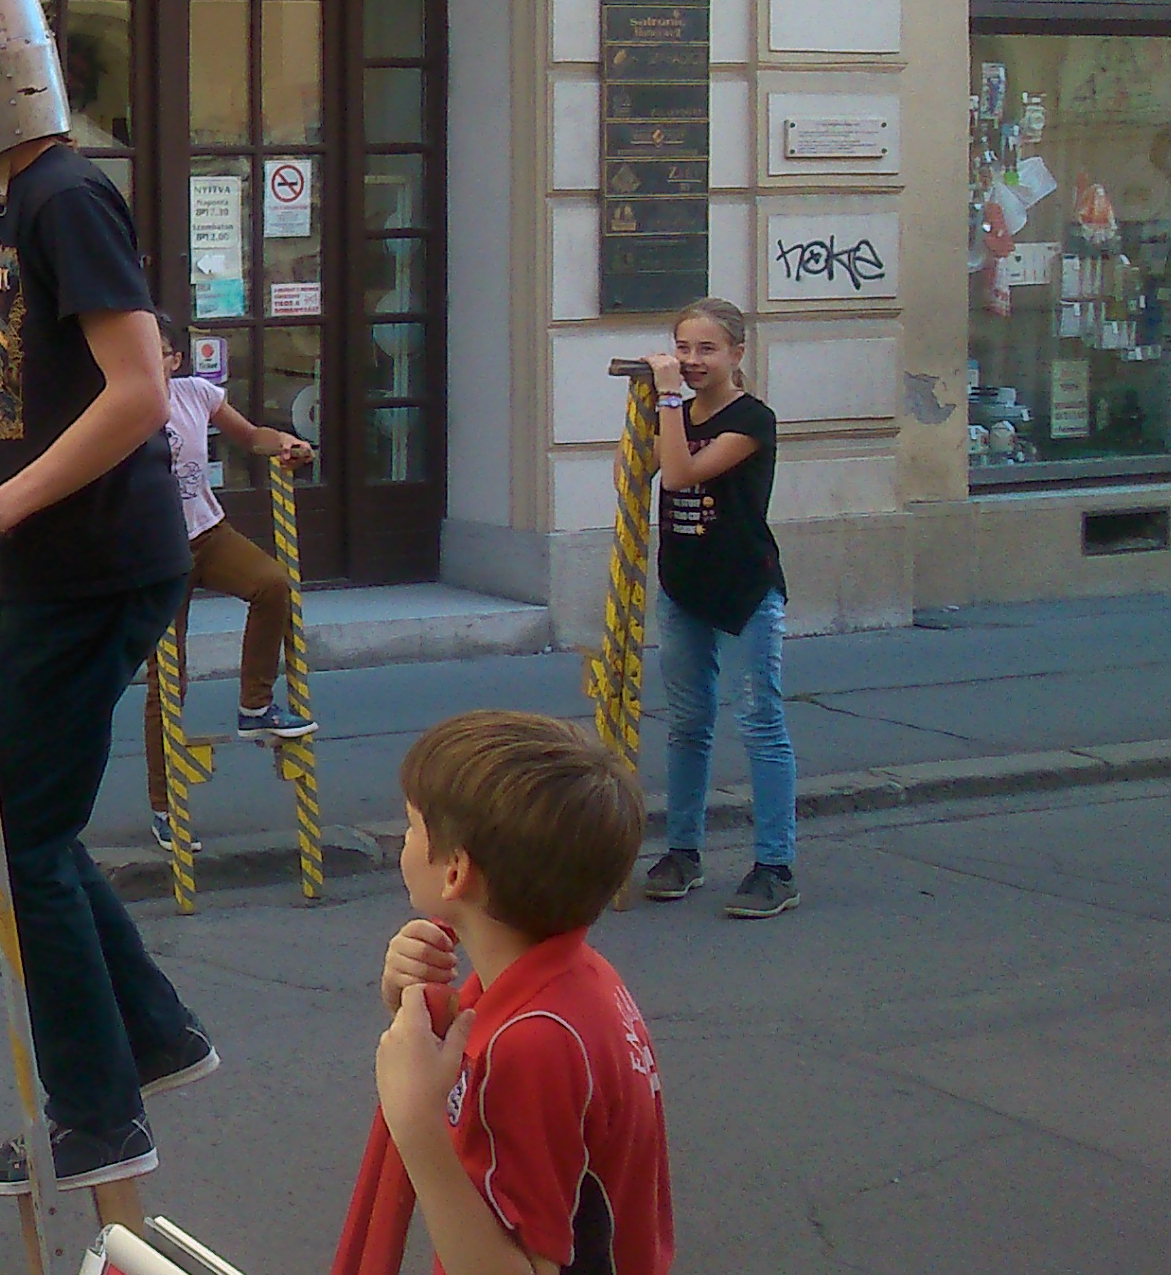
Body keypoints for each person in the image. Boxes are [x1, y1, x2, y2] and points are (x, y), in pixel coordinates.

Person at [0, 0, 214, 1199]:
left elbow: (136, 393)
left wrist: (1, 505)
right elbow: (25, 388)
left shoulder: (64, 195)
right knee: (6, 823)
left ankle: (99, 1112)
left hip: (86, 568)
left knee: (15, 835)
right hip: (33, 567)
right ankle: (151, 1036)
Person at [337, 711, 673, 1275]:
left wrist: (416, 1124)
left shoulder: (530, 1045)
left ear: (455, 872)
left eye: (413, 826)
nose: (403, 840)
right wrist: (417, 1007)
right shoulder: (574, 980)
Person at [632, 297, 798, 919]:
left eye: (707, 349)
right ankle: (683, 852)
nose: (693, 360)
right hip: (684, 586)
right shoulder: (673, 410)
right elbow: (642, 467)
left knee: (760, 721)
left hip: (744, 588)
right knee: (688, 722)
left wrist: (669, 398)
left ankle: (775, 866)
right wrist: (663, 405)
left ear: (736, 354)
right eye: (683, 348)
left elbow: (680, 474)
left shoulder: (752, 419)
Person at [139, 313, 316, 855]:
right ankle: (165, 807)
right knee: (168, 681)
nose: (145, 359)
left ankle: (255, 706)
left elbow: (250, 436)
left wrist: (284, 442)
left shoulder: (197, 394)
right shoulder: (120, 404)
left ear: (174, 360)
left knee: (272, 585)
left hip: (206, 533)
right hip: (152, 552)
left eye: (157, 351)